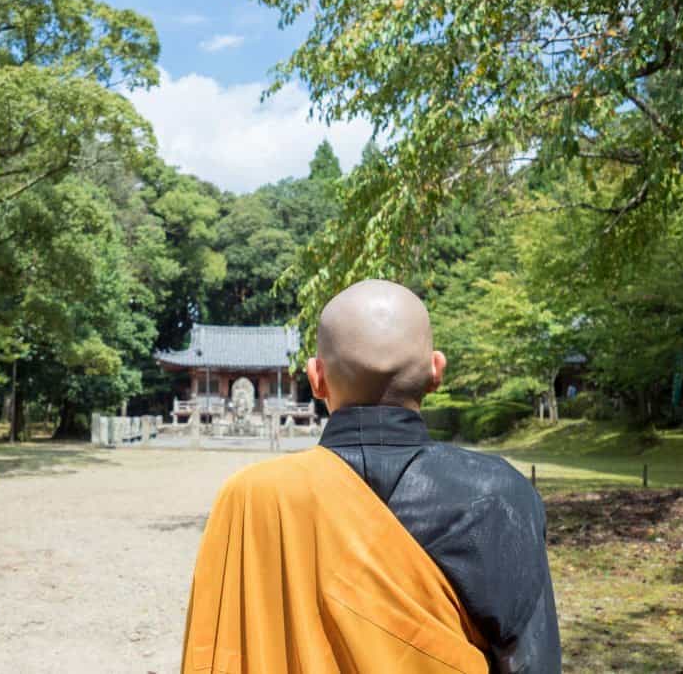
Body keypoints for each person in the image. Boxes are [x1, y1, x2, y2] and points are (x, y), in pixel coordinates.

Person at [181, 280, 560, 673]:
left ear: (315, 377)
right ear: (436, 370)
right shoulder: (499, 495)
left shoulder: (253, 498)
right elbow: (533, 663)